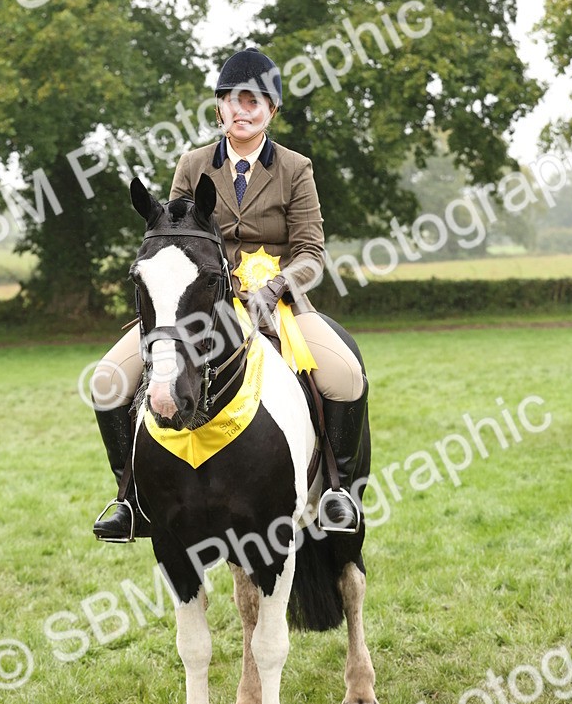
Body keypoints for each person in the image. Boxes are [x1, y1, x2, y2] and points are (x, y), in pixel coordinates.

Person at [91, 46, 368, 542]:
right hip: (196, 304)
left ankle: (336, 491)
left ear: (271, 111)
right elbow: (173, 234)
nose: (242, 109)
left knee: (346, 376)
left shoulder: (295, 168)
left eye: (253, 101)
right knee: (108, 381)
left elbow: (311, 251)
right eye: (231, 100)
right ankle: (128, 499)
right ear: (217, 108)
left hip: (276, 305)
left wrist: (275, 286)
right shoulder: (193, 162)